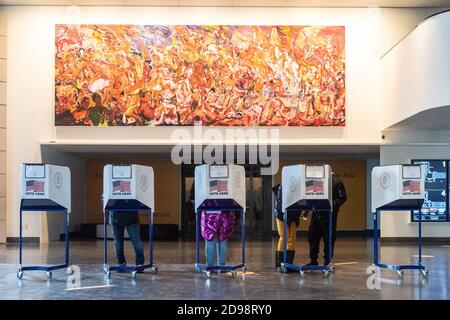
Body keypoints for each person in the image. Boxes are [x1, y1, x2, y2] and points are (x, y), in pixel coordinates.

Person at [307, 174, 347, 266]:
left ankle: (327, 261)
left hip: (329, 215)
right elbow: (310, 195)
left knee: (329, 238)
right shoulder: (315, 181)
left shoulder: (336, 182)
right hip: (316, 213)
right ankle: (313, 261)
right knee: (312, 237)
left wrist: (330, 204)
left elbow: (343, 198)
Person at [272, 184, 301, 271]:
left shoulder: (299, 187)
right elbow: (280, 204)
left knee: (292, 239)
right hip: (282, 214)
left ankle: (288, 264)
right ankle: (279, 264)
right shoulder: (283, 186)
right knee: (283, 237)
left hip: (294, 214)